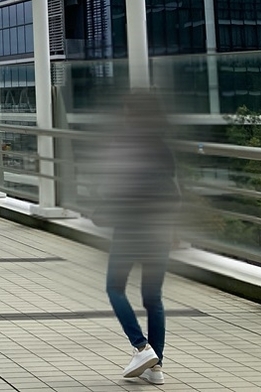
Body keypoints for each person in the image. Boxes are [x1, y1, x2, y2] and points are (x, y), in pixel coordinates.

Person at [101, 91, 180, 386]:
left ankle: (141, 346)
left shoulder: (123, 145)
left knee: (114, 287)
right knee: (153, 298)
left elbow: (114, 186)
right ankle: (156, 366)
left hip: (130, 227)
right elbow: (171, 189)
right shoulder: (162, 146)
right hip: (160, 228)